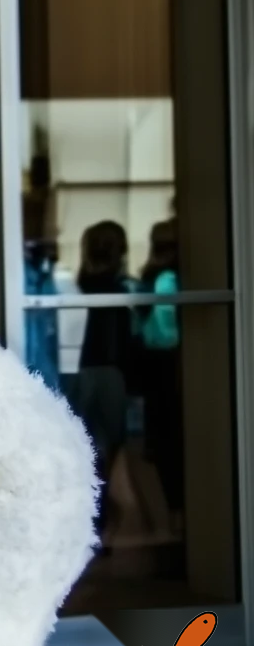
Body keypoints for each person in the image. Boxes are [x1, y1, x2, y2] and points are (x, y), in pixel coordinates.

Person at [73, 220, 138, 544]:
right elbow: (128, 340)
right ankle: (101, 522)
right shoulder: (123, 290)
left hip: (82, 371)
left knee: (88, 450)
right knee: (109, 452)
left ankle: (94, 520)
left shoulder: (80, 286)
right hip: (111, 373)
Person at [137, 219, 184, 530]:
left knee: (160, 440)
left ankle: (171, 514)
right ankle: (178, 513)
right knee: (175, 438)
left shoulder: (147, 280)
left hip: (151, 365)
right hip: (173, 363)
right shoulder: (173, 281)